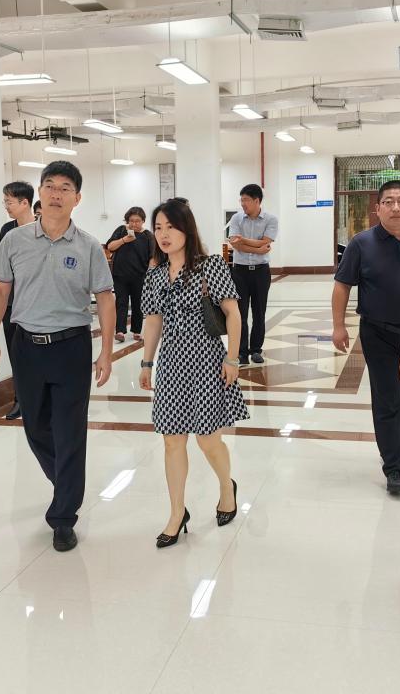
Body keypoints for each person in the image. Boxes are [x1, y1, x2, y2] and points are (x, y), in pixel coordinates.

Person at [0, 160, 115, 553]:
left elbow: (105, 299)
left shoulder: (89, 246)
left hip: (72, 346)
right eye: (50, 186)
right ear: (39, 193)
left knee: (70, 431)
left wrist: (107, 351)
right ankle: (66, 481)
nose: (57, 194)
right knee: (36, 427)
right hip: (26, 345)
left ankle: (63, 517)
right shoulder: (15, 241)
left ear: (77, 198)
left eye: (65, 188)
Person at [139, 199, 247, 548]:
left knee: (208, 439)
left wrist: (232, 359)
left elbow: (232, 313)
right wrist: (147, 362)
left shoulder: (210, 266)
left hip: (206, 360)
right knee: (172, 440)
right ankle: (176, 513)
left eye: (171, 227)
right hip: (172, 363)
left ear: (187, 229)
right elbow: (153, 321)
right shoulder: (155, 275)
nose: (164, 234)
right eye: (158, 228)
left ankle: (227, 487)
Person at [332, 180, 400, 495]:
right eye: (388, 201)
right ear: (378, 208)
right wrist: (338, 326)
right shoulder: (361, 244)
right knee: (387, 398)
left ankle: (396, 444)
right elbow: (342, 286)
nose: (396, 207)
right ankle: (393, 465)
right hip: (379, 333)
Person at [227, 183, 279, 366]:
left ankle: (256, 350)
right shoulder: (236, 218)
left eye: (246, 200)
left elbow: (266, 241)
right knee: (239, 313)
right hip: (239, 272)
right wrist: (258, 248)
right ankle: (242, 352)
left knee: (259, 312)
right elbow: (235, 244)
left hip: (261, 272)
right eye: (241, 200)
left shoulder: (271, 219)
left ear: (257, 201)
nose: (243, 204)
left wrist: (245, 241)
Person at [0, 181, 36, 421]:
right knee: (16, 352)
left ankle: (37, 398)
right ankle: (19, 399)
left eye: (9, 201)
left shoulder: (42, 227)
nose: (6, 206)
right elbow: (4, 265)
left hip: (35, 301)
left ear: (25, 203)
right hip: (12, 302)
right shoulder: (7, 230)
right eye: (5, 201)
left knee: (36, 353)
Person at [106, 206, 153, 343]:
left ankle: (137, 331)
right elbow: (110, 247)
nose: (134, 224)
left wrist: (150, 273)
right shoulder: (121, 230)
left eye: (137, 221)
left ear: (143, 221)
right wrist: (124, 240)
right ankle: (120, 331)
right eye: (131, 221)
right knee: (121, 303)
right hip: (120, 275)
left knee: (138, 304)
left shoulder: (147, 236)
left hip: (140, 276)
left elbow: (152, 256)